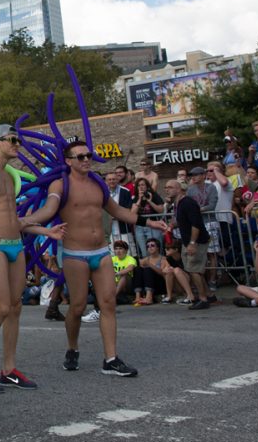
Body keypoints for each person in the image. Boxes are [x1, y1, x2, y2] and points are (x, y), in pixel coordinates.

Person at [22, 141, 166, 377]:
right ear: (68, 161)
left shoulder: (98, 183)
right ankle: (72, 348)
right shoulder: (60, 184)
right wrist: (20, 222)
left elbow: (118, 211)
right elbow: (48, 211)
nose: (86, 159)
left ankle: (110, 358)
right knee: (77, 306)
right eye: (80, 157)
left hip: (101, 251)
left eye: (88, 155)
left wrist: (149, 222)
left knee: (108, 303)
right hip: (75, 254)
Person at [0, 124, 66, 393]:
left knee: (16, 306)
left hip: (15, 244)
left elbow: (16, 220)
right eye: (12, 140)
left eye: (18, 140)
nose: (17, 144)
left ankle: (8, 368)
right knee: (1, 307)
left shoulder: (9, 177)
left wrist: (45, 230)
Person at [163, 179, 215, 310]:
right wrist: (172, 225)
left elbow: (196, 224)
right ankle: (208, 295)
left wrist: (192, 243)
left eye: (170, 187)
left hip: (197, 241)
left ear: (179, 189)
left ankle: (203, 299)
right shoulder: (178, 204)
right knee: (194, 269)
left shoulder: (188, 203)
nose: (167, 189)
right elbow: (183, 220)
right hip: (187, 241)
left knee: (194, 270)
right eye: (166, 187)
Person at [140, 238, 194, 304]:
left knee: (176, 270)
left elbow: (190, 273)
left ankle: (190, 295)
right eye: (148, 246)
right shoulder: (168, 259)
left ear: (176, 249)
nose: (165, 250)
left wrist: (150, 264)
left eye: (168, 249)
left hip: (188, 282)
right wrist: (166, 270)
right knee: (168, 272)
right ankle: (169, 296)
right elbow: (163, 272)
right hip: (177, 285)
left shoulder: (183, 257)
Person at [131, 177, 164, 257]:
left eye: (143, 185)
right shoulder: (135, 198)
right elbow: (132, 213)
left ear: (147, 186)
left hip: (153, 226)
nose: (141, 187)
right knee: (144, 252)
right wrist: (139, 199)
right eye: (138, 185)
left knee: (156, 251)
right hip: (140, 227)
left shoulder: (154, 195)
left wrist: (150, 201)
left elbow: (161, 210)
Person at [106, 171, 135, 255]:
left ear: (118, 180)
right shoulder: (103, 192)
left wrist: (115, 215)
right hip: (109, 229)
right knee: (112, 253)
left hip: (123, 227)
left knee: (128, 251)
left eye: (114, 179)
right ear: (106, 181)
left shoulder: (125, 191)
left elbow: (128, 209)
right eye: (109, 179)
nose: (112, 181)